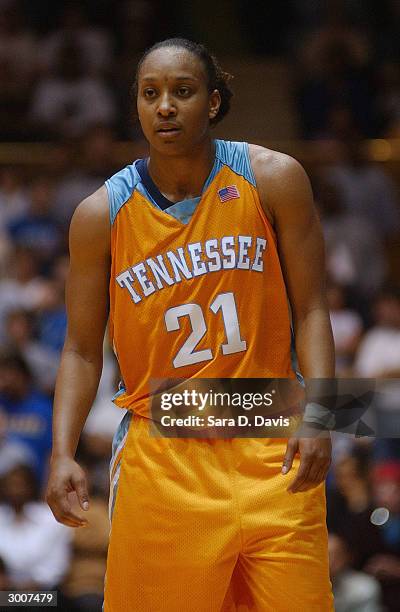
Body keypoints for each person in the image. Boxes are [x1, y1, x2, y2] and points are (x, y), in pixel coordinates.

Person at [46, 38, 334, 611]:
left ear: (214, 101)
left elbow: (313, 308)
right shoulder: (99, 216)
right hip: (164, 454)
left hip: (272, 438)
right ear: (136, 107)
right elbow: (80, 349)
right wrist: (61, 451)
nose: (166, 107)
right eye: (150, 94)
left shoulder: (276, 178)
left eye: (183, 91)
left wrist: (326, 415)